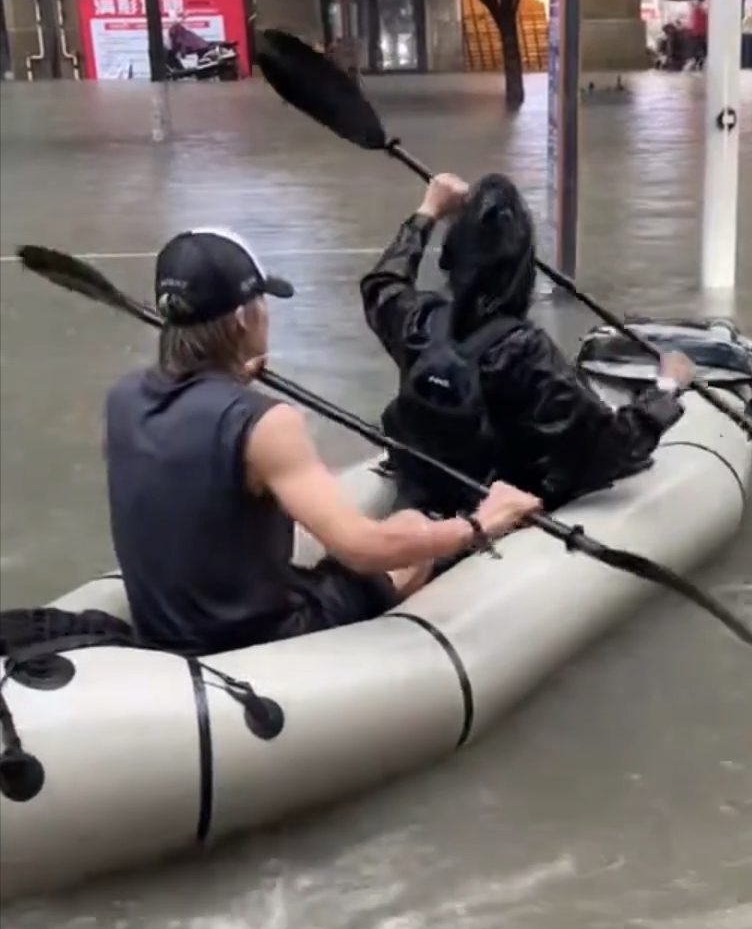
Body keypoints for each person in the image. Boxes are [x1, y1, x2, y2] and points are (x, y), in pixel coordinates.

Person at [104, 228, 538, 655]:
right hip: (255, 640)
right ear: (241, 319)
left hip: (166, 628)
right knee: (409, 531)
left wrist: (233, 379)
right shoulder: (265, 423)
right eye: (262, 303)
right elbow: (365, 550)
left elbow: (191, 460)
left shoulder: (122, 399)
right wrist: (479, 524)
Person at [360, 172, 695, 517]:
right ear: (523, 270)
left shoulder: (418, 321)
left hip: (425, 491)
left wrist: (428, 210)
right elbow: (609, 448)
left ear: (450, 257)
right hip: (492, 510)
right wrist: (665, 390)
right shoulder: (526, 352)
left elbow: (381, 283)